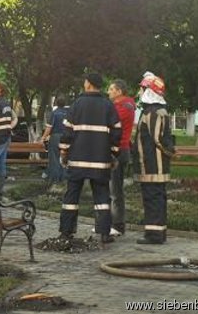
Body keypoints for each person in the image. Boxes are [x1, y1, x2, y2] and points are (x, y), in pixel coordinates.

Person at [58, 72, 122, 244]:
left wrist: (64, 152)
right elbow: (117, 131)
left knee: (71, 197)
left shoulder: (77, 104)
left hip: (77, 160)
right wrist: (114, 153)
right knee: (102, 197)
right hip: (100, 161)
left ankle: (66, 232)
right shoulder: (108, 105)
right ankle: (104, 233)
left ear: (88, 84)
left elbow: (67, 132)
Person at [132, 71, 174, 245]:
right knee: (157, 197)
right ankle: (158, 233)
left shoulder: (153, 112)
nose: (140, 92)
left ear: (149, 91)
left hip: (151, 164)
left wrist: (168, 152)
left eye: (142, 89)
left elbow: (158, 139)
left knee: (152, 198)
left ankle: (154, 235)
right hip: (154, 164)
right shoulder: (157, 110)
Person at [107, 79, 136, 237]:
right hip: (115, 150)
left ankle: (118, 225)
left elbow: (111, 121)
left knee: (115, 190)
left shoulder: (125, 106)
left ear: (119, 91)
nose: (108, 92)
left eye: (111, 89)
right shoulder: (120, 106)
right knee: (110, 188)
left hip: (119, 150)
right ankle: (108, 223)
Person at [40, 94, 69, 183]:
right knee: (64, 158)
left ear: (56, 103)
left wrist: (43, 138)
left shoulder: (54, 113)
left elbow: (49, 127)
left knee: (54, 158)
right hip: (66, 137)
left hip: (55, 137)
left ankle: (55, 179)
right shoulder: (68, 113)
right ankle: (64, 178)